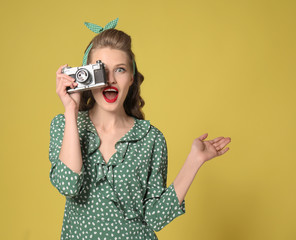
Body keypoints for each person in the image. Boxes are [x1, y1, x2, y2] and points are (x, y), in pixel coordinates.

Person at [48, 18, 231, 240]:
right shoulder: (65, 124)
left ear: (132, 78)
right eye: (101, 70)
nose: (110, 80)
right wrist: (71, 109)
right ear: (85, 75)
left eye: (120, 70)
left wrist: (195, 160)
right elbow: (68, 185)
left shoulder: (150, 139)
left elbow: (155, 218)